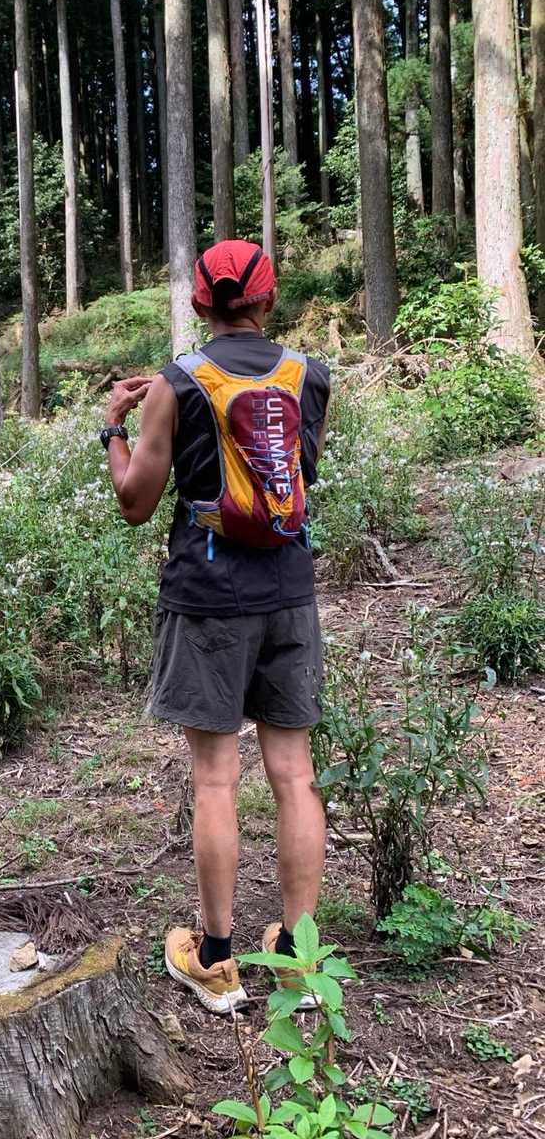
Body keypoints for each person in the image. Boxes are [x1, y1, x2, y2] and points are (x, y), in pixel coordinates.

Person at [101, 239, 330, 1015]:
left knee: (215, 779)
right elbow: (298, 476)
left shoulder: (176, 383)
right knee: (294, 774)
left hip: (206, 597)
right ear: (269, 297)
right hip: (289, 589)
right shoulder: (309, 376)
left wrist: (114, 427)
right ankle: (299, 960)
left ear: (201, 303)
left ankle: (215, 959)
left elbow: (135, 502)